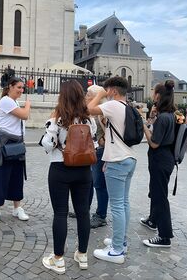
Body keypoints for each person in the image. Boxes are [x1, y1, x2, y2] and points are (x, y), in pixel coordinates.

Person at [41, 80, 94, 274]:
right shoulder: (88, 119)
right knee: (83, 212)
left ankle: (58, 259)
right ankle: (82, 254)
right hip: (84, 169)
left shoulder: (58, 118)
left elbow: (48, 144)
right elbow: (93, 141)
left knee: (60, 213)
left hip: (60, 168)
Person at [88, 76, 137, 264]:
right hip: (128, 158)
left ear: (113, 91)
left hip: (117, 161)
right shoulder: (127, 107)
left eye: (107, 91)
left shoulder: (114, 105)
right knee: (123, 203)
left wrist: (99, 92)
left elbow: (87, 110)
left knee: (117, 205)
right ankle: (121, 241)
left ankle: (116, 251)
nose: (105, 94)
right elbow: (111, 134)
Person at [0, 77, 30, 225]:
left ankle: (17, 208)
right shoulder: (6, 100)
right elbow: (25, 115)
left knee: (16, 177)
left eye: (22, 88)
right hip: (6, 143)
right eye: (19, 87)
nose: (21, 90)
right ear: (10, 87)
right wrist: (28, 105)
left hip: (17, 143)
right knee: (1, 177)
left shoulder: (15, 102)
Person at [141, 80, 176, 248]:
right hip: (165, 159)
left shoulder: (164, 118)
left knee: (160, 197)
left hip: (160, 159)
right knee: (156, 192)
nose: (152, 95)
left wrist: (144, 127)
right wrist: (152, 118)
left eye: (154, 92)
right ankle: (153, 220)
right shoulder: (168, 115)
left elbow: (154, 143)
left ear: (159, 96)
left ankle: (164, 236)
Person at [86, 85, 109, 229]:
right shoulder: (93, 110)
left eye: (88, 94)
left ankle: (101, 215)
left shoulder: (102, 111)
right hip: (91, 150)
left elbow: (108, 133)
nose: (85, 95)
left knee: (99, 184)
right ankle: (83, 209)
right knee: (88, 181)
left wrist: (102, 141)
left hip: (100, 151)